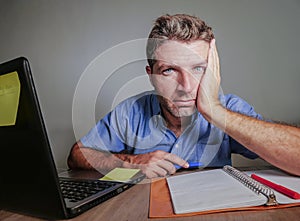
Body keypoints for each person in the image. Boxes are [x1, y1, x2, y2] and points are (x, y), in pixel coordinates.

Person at [68, 14, 300, 178]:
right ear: (151, 75)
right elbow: (78, 155)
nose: (186, 86)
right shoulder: (131, 112)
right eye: (169, 71)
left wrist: (215, 111)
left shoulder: (230, 108)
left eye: (198, 69)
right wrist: (130, 163)